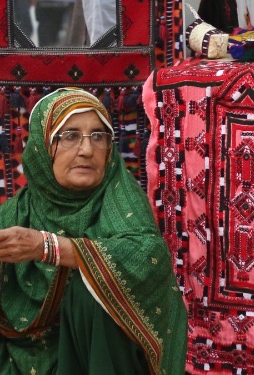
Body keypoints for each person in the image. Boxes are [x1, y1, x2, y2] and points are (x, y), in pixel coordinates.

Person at [0, 88, 185, 374]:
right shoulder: (15, 215)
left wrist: (48, 247)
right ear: (41, 146)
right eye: (70, 136)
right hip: (21, 360)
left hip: (102, 363)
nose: (87, 149)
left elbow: (149, 256)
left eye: (98, 136)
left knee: (98, 284)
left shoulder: (120, 199)